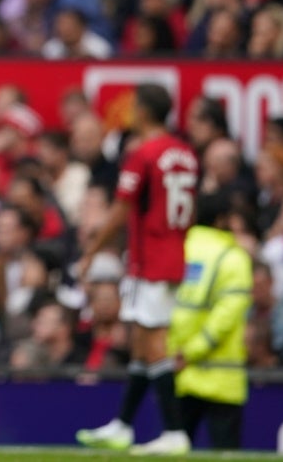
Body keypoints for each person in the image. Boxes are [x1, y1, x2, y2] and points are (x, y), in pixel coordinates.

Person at [76, 83, 198, 455]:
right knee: (143, 345)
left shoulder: (144, 153)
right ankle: (123, 425)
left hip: (151, 259)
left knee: (153, 343)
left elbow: (121, 208)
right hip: (173, 252)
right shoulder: (185, 153)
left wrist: (91, 252)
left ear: (143, 111)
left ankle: (174, 432)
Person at [170, 190, 252, 449]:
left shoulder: (178, 250)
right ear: (221, 219)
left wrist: (177, 354)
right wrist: (194, 351)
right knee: (225, 454)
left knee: (174, 450)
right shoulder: (233, 258)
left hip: (179, 369)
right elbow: (226, 316)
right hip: (222, 375)